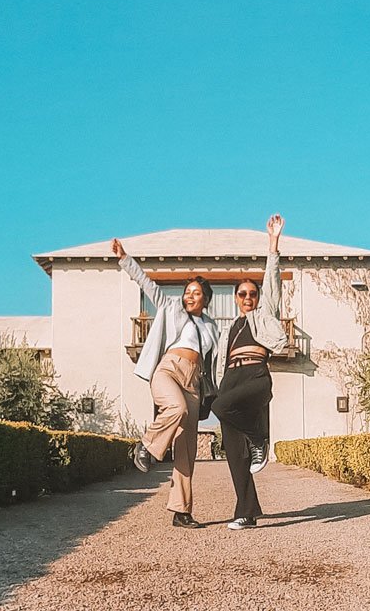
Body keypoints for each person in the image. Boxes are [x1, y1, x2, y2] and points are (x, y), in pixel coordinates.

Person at [112, 236, 219, 529]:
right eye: (187, 291)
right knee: (177, 408)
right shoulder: (171, 307)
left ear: (206, 299)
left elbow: (212, 364)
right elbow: (148, 285)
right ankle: (146, 445)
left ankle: (181, 512)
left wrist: (214, 392)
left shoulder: (212, 327)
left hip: (194, 382)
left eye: (196, 293)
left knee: (186, 450)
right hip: (168, 371)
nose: (190, 296)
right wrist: (125, 259)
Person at [210, 214, 288, 530]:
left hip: (256, 375)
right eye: (242, 294)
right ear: (235, 298)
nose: (247, 298)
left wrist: (273, 242)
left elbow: (272, 280)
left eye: (251, 294)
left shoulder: (263, 314)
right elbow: (218, 363)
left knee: (220, 408)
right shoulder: (229, 329)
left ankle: (259, 439)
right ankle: (246, 512)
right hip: (231, 378)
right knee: (234, 452)